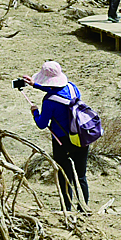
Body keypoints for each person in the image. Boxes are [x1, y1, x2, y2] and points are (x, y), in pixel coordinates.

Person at [27, 61, 89, 211]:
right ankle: (84, 208)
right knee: (81, 176)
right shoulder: (72, 87)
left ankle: (66, 209)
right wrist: (35, 85)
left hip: (62, 141)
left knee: (64, 176)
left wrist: (35, 112)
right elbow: (58, 92)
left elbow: (42, 124)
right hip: (81, 136)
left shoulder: (48, 102)